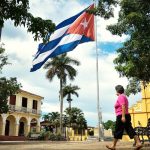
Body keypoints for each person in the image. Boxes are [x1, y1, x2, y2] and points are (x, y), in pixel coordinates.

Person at [106, 85, 142, 150]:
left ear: (117, 91)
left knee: (118, 130)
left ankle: (113, 145)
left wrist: (123, 116)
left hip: (121, 115)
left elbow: (123, 106)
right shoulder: (124, 96)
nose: (115, 92)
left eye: (116, 90)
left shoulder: (121, 97)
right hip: (126, 115)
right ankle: (138, 143)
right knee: (129, 129)